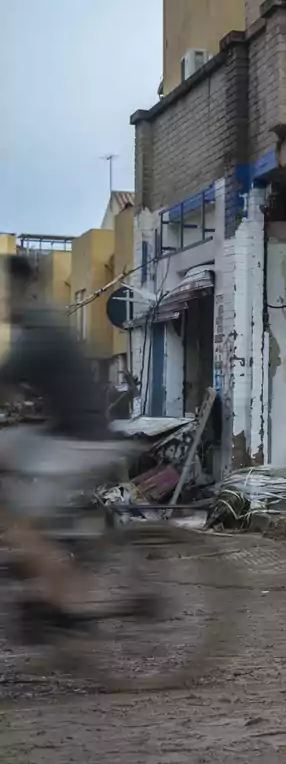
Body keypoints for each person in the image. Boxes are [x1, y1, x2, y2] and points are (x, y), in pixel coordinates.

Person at [0, 254, 125, 635]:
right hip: (65, 432)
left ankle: (64, 605)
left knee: (23, 526)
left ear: (18, 290)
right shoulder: (35, 326)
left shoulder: (39, 330)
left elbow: (4, 378)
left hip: (79, 441)